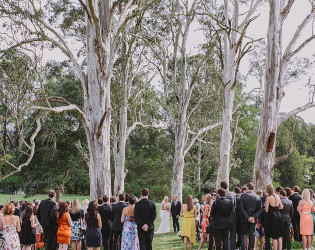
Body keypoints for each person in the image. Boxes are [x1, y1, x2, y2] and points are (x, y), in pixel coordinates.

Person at [239, 182, 262, 250]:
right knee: (252, 235)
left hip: (244, 219)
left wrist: (248, 217)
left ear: (247, 188)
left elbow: (241, 208)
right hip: (252, 219)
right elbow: (260, 209)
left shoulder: (243, 196)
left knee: (242, 234)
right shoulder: (257, 197)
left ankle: (243, 248)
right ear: (253, 188)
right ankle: (251, 249)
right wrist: (253, 217)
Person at [217, 181, 236, 250]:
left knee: (225, 237)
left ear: (221, 186)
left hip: (222, 219)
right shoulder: (232, 194)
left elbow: (217, 207)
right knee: (232, 236)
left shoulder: (218, 195)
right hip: (232, 216)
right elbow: (234, 206)